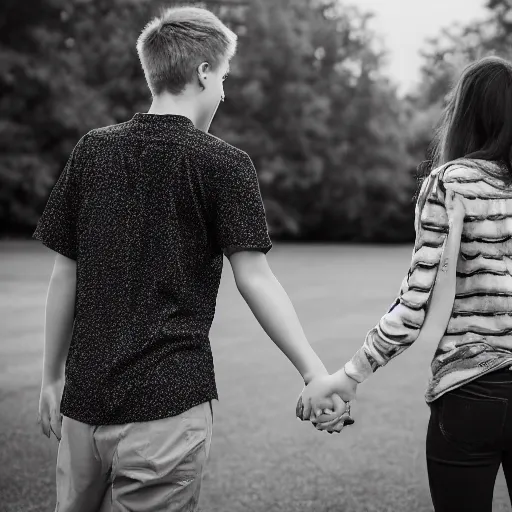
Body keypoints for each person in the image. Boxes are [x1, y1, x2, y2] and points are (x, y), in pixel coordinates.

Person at [33, 6, 349, 512]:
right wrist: (313, 372)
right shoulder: (224, 163)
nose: (224, 91)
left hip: (82, 409)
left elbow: (64, 272)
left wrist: (51, 378)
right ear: (203, 73)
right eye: (223, 77)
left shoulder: (92, 149)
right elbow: (255, 278)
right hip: (168, 415)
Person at [298, 55, 512, 511]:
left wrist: (349, 376)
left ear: (465, 112)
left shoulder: (451, 184)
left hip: (473, 388)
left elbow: (414, 304)